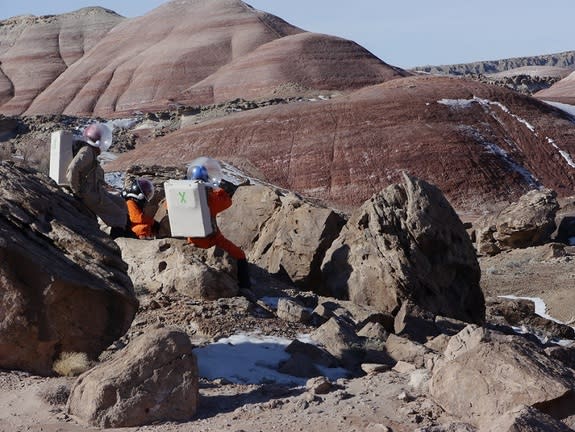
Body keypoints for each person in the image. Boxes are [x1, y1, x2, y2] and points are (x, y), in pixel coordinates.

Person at [186, 163, 251, 290]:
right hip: (209, 240)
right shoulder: (210, 198)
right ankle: (245, 288)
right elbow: (227, 202)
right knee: (240, 254)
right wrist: (220, 190)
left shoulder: (183, 196)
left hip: (190, 238)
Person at [66, 123, 129, 239]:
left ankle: (126, 233)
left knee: (121, 203)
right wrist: (77, 192)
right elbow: (73, 169)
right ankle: (119, 241)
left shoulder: (90, 152)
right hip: (90, 193)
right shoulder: (87, 151)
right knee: (119, 215)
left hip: (95, 190)